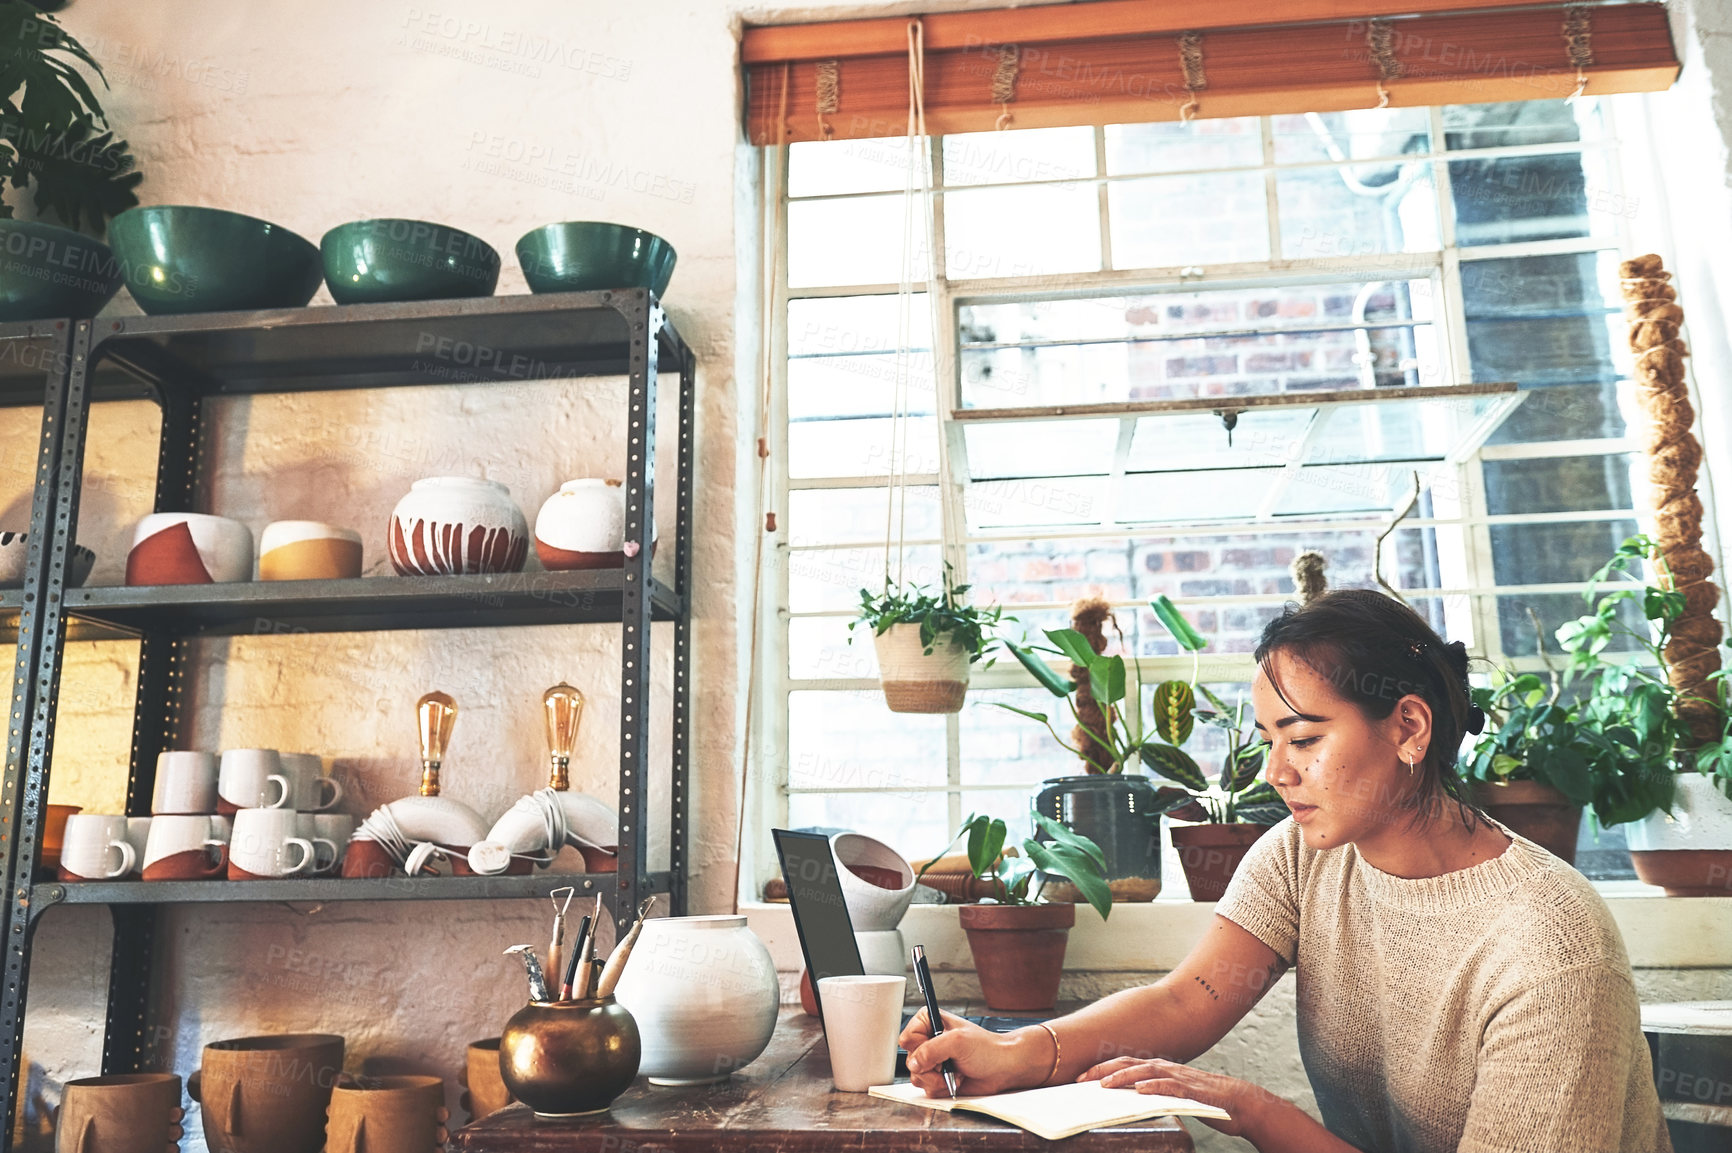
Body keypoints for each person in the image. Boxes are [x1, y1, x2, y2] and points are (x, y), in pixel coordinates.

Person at [899, 589, 1671, 1153]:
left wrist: (1255, 1112)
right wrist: (1017, 1052)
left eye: (1302, 738)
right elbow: (1189, 998)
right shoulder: (1308, 853)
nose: (1275, 771)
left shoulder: (1552, 948)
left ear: (1408, 726)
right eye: (1269, 738)